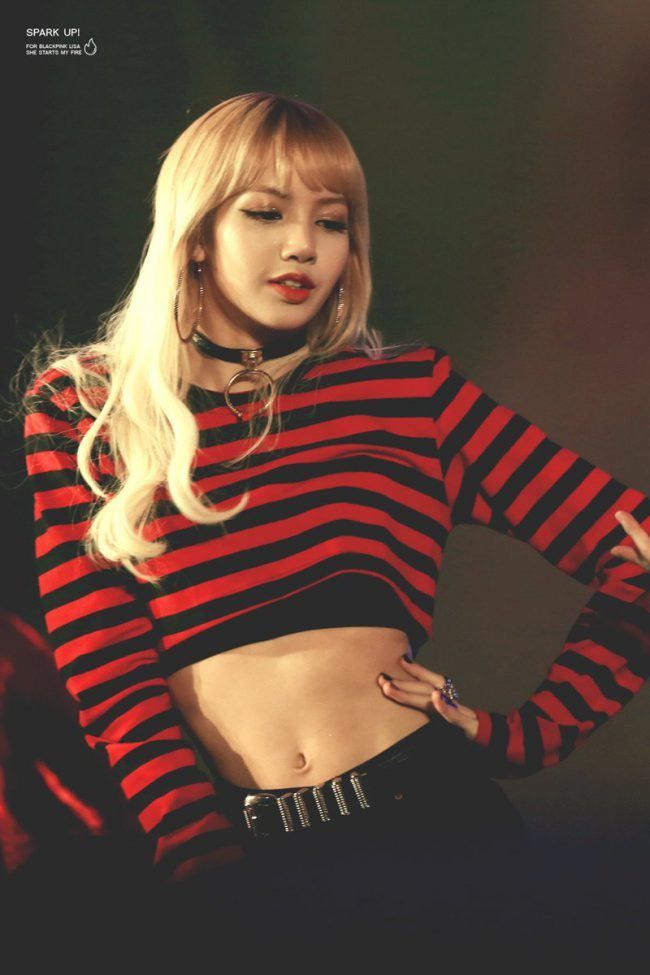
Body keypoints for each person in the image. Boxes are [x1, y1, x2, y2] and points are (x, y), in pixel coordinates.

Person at [18, 91, 649, 959]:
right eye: (267, 212)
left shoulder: (407, 391)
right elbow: (108, 674)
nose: (303, 246)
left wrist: (530, 732)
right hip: (244, 857)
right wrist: (197, 856)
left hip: (437, 827)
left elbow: (634, 542)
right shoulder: (85, 408)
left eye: (333, 220)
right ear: (195, 231)